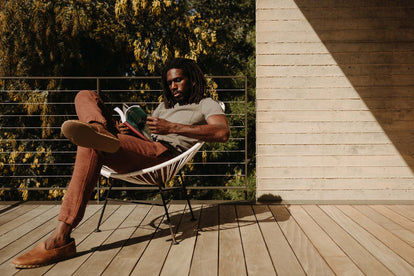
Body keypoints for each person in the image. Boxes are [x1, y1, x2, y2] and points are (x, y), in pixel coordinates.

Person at [12, 58, 230, 268]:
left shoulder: (205, 103)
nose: (173, 86)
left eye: (178, 80)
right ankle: (100, 130)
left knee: (90, 144)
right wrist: (123, 131)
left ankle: (60, 237)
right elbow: (147, 135)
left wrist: (171, 128)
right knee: (85, 95)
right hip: (140, 147)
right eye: (169, 82)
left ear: (192, 79)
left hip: (162, 155)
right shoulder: (164, 106)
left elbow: (222, 132)